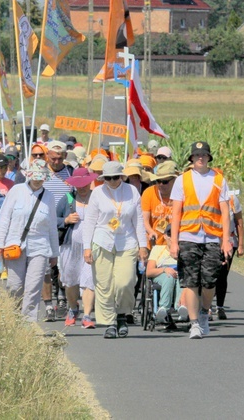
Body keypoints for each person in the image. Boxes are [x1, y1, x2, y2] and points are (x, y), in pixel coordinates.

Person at [169, 142, 232, 340]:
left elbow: (225, 212)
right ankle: (194, 322)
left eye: (204, 155)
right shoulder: (182, 180)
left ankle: (205, 312)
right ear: (192, 158)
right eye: (197, 155)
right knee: (190, 281)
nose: (200, 158)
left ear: (208, 157)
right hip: (188, 235)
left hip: (212, 236)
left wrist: (226, 240)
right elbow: (176, 212)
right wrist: (174, 241)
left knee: (209, 281)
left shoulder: (218, 179)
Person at [83, 161, 148, 339]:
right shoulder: (97, 193)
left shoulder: (131, 191)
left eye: (115, 177)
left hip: (126, 240)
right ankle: (109, 323)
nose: (112, 181)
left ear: (121, 176)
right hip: (102, 240)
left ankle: (122, 315)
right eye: (108, 178)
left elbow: (139, 220)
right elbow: (89, 222)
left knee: (125, 281)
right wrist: (86, 247)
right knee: (104, 285)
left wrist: (143, 246)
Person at [0, 160, 60, 321]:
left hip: (40, 247)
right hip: (15, 245)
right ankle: (13, 317)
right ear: (29, 175)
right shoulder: (16, 191)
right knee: (14, 286)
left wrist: (54, 253)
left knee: (33, 287)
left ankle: (28, 325)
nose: (37, 180)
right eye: (35, 176)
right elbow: (3, 219)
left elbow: (52, 226)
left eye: (41, 177)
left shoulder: (49, 197)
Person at [57, 168, 97, 328]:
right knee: (70, 280)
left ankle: (87, 315)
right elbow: (53, 218)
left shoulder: (96, 197)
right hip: (70, 246)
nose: (82, 187)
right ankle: (73, 308)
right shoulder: (67, 198)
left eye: (85, 184)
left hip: (91, 247)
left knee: (89, 280)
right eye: (79, 184)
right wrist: (65, 220)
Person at [41, 140, 74, 321]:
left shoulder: (70, 173)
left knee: (62, 265)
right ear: (47, 156)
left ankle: (62, 297)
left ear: (65, 157)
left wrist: (68, 205)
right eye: (53, 158)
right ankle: (48, 303)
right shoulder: (41, 173)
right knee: (47, 266)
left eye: (59, 158)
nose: (56, 162)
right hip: (44, 224)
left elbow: (72, 194)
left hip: (64, 224)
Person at [212, 187, 244, 320]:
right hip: (211, 240)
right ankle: (206, 307)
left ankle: (220, 306)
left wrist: (241, 244)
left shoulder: (232, 199)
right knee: (209, 274)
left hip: (230, 241)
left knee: (222, 274)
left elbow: (239, 223)